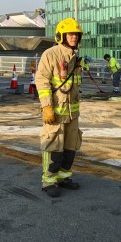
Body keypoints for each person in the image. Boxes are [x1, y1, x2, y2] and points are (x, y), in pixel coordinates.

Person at [35, 17, 84, 198]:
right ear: (61, 35)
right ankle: (49, 181)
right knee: (53, 146)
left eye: (76, 35)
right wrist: (47, 106)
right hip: (55, 111)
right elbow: (42, 81)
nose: (74, 37)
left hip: (72, 112)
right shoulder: (51, 54)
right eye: (70, 34)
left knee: (70, 146)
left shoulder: (75, 57)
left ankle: (63, 177)